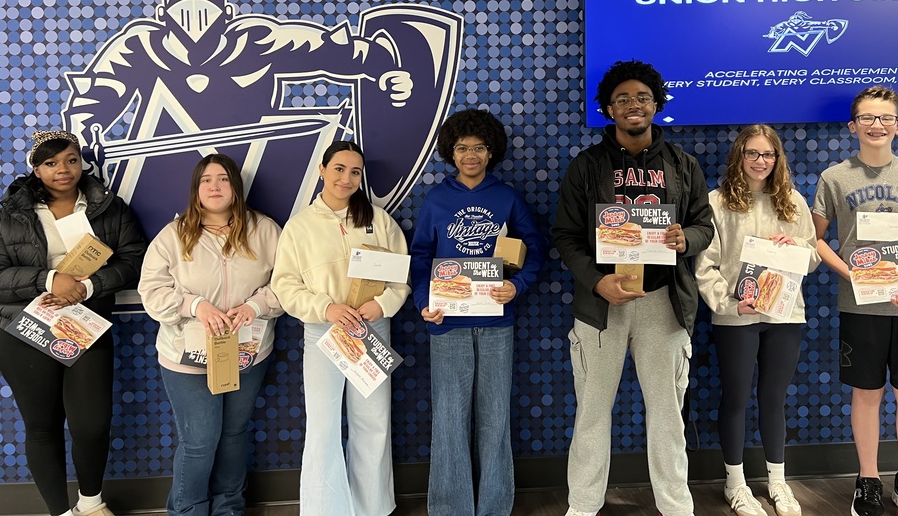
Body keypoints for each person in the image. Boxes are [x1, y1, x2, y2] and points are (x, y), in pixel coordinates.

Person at [553, 59, 714, 516]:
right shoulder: (586, 166)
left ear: (656, 104)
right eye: (622, 99)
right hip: (602, 304)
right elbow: (564, 236)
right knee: (591, 414)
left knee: (667, 415)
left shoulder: (683, 165)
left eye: (642, 97)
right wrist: (597, 280)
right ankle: (582, 506)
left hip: (663, 302)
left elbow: (705, 224)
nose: (633, 106)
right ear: (607, 108)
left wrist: (688, 238)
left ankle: (676, 507)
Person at [0, 130, 146, 516]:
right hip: (24, 331)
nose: (62, 169)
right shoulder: (7, 217)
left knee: (92, 425)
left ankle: (91, 505)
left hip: (87, 325)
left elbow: (135, 261)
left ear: (81, 161)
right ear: (36, 169)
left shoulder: (110, 209)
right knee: (42, 426)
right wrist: (49, 280)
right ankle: (60, 513)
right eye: (50, 163)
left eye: (70, 159)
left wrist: (88, 286)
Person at [811, 86, 898, 516]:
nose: (877, 125)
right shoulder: (834, 178)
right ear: (853, 126)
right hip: (861, 305)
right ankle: (867, 480)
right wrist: (852, 272)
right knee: (867, 393)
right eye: (868, 118)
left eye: (885, 118)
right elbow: (815, 239)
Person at [410, 108, 547, 516]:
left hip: (495, 324)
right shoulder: (437, 199)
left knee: (494, 420)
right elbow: (421, 258)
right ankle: (451, 509)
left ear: (491, 152)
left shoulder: (506, 197)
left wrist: (516, 285)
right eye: (462, 147)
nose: (471, 155)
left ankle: (493, 507)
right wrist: (424, 303)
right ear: (451, 153)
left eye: (479, 147)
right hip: (447, 325)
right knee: (450, 420)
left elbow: (534, 249)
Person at [138, 153, 283, 516]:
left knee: (234, 436)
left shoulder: (265, 230)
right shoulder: (173, 235)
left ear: (236, 186)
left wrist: (257, 305)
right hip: (186, 357)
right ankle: (188, 510)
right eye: (206, 180)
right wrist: (194, 306)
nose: (214, 186)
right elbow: (151, 292)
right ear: (196, 190)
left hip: (248, 352)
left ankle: (229, 508)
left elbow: (288, 284)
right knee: (200, 441)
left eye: (222, 179)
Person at [271, 141, 410, 516]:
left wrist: (380, 305)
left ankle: (373, 508)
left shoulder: (379, 221)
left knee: (373, 422)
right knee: (322, 426)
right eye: (339, 169)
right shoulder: (299, 227)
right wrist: (326, 307)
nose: (346, 178)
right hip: (324, 334)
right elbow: (285, 286)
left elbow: (401, 279)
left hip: (371, 331)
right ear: (322, 170)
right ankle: (325, 510)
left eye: (355, 172)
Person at [695, 125, 820, 516]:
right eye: (753, 153)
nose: (761, 161)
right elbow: (704, 265)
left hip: (784, 315)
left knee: (773, 399)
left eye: (768, 155)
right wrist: (729, 303)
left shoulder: (793, 202)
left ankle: (777, 482)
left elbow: (814, 256)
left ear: (777, 158)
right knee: (735, 398)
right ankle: (736, 484)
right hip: (737, 317)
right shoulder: (716, 202)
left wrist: (796, 246)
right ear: (739, 156)